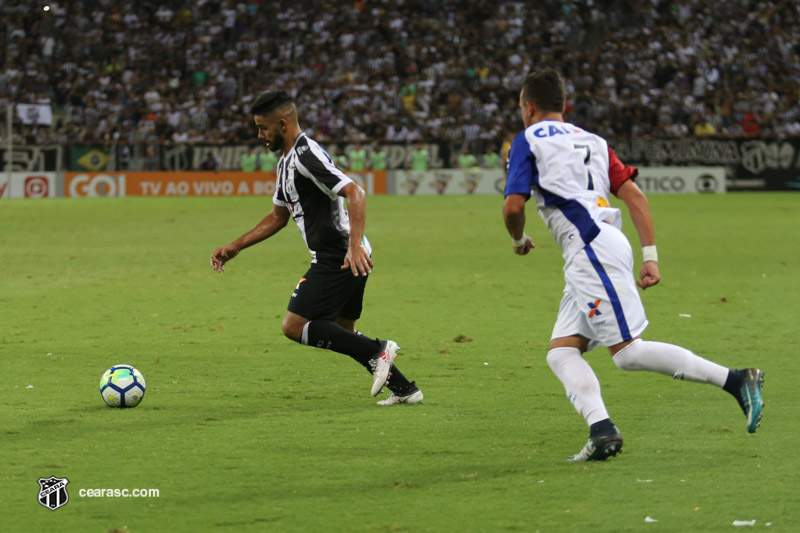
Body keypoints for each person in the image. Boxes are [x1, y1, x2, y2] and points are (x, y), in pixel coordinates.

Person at [502, 69, 764, 461]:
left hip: (589, 249)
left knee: (627, 353)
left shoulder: (526, 140)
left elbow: (512, 206)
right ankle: (602, 430)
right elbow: (635, 196)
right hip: (605, 245)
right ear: (564, 105)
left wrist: (519, 240)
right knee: (561, 352)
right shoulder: (593, 140)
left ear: (529, 106)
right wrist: (650, 257)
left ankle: (736, 380)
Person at [211, 91, 422, 406]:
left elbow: (356, 192)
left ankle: (379, 350)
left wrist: (352, 248)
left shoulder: (306, 155)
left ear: (282, 124)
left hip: (338, 256)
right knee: (343, 331)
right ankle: (405, 389)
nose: (259, 135)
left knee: (294, 326)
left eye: (263, 127)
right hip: (349, 252)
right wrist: (236, 246)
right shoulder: (286, 163)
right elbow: (278, 217)